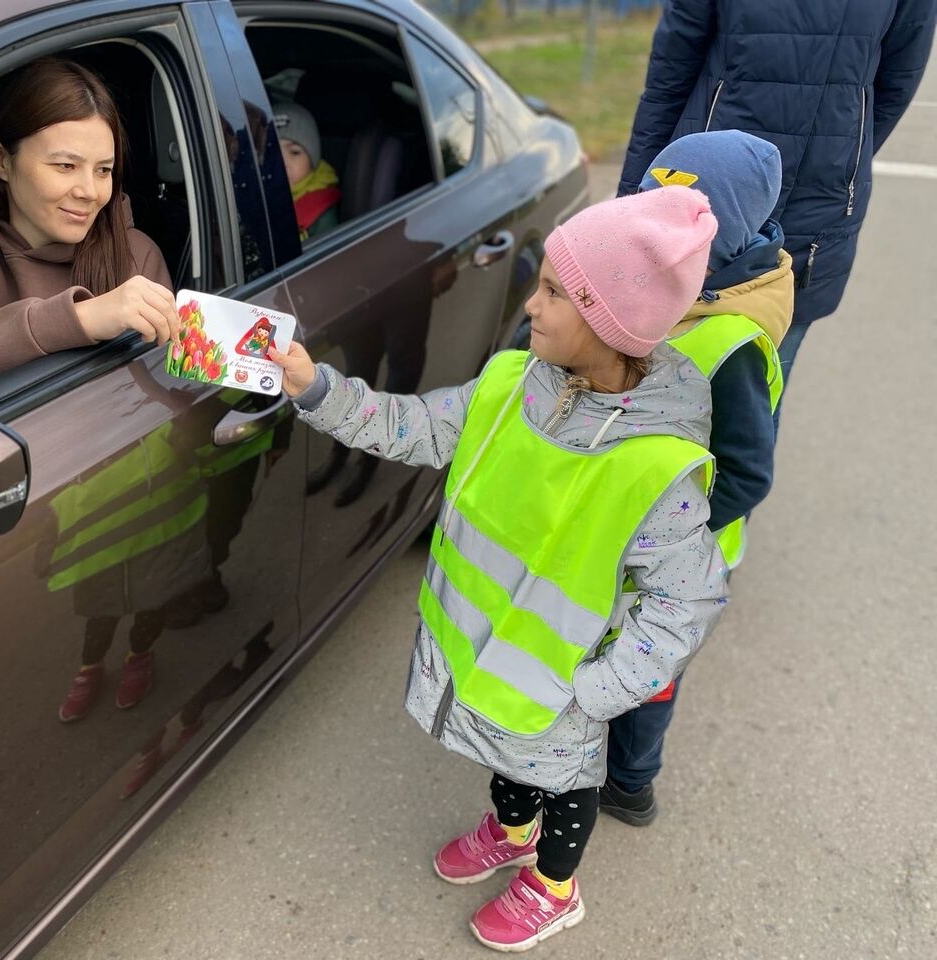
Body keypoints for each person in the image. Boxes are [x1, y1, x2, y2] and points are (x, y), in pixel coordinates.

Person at [268, 187, 729, 952]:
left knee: (565, 784)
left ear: (611, 322)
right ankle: (513, 830)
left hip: (563, 685)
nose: (532, 303)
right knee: (506, 761)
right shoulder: (509, 385)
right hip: (483, 653)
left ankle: (555, 887)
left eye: (554, 291)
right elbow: (412, 427)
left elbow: (686, 600)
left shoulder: (656, 469)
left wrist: (597, 691)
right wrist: (319, 390)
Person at [601, 130, 792, 826]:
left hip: (680, 552)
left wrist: (664, 536)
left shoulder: (727, 342)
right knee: (598, 646)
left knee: (649, 673)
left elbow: (746, 472)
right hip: (614, 535)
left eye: (666, 223)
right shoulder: (665, 288)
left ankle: (629, 781)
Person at [618, 0, 937, 390]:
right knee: (643, 392)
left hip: (815, 216)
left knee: (754, 405)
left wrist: (839, 161)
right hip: (698, 204)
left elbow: (892, 87)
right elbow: (670, 77)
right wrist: (630, 201)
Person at [0, 57, 179, 392]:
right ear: (1, 160)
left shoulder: (136, 254)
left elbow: (161, 393)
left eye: (103, 170)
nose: (89, 192)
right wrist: (81, 318)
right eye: (66, 165)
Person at [274, 102, 341, 244]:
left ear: (312, 162)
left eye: (294, 152)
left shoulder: (321, 212)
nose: (281, 163)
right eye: (271, 153)